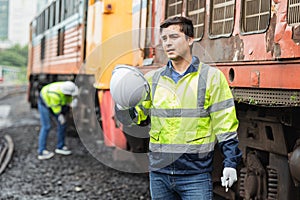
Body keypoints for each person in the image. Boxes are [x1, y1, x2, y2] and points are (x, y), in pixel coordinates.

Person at [113, 16, 242, 199]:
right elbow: (135, 118)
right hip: (159, 175)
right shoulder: (152, 80)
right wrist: (122, 103)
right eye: (164, 39)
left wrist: (230, 162)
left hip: (195, 176)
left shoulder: (211, 77)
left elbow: (225, 125)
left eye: (174, 37)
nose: (168, 43)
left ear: (190, 39)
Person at [37, 81, 78, 160]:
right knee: (46, 126)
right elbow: (56, 110)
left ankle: (60, 146)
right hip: (44, 103)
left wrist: (71, 104)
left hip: (55, 104)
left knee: (63, 125)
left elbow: (68, 100)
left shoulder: (68, 90)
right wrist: (60, 116)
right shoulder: (54, 95)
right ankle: (41, 152)